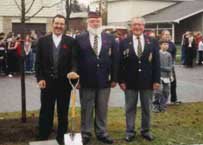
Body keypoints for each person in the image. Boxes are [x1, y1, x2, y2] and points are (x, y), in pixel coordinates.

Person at [35, 14, 79, 145]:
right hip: (47, 83)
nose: (59, 26)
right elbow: (38, 63)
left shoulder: (70, 41)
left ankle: (61, 136)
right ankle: (44, 134)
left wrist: (74, 71)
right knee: (46, 110)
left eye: (61, 24)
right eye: (56, 23)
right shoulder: (43, 41)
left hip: (64, 83)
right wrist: (40, 78)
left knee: (62, 111)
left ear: (64, 26)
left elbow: (74, 61)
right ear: (52, 24)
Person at [75, 11, 118, 145]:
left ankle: (101, 132)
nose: (95, 23)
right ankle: (86, 133)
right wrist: (76, 80)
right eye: (92, 21)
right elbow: (75, 60)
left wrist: (115, 78)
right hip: (86, 80)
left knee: (102, 107)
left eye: (97, 21)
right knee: (86, 108)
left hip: (104, 80)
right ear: (88, 22)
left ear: (101, 22)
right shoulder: (79, 38)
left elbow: (115, 59)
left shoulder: (110, 38)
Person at [119, 17, 160, 142]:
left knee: (147, 107)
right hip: (130, 81)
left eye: (140, 25)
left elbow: (156, 63)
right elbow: (120, 63)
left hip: (147, 81)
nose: (137, 27)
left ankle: (146, 130)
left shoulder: (152, 41)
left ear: (144, 27)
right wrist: (121, 81)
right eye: (135, 24)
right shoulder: (124, 42)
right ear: (131, 26)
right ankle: (130, 131)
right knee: (130, 108)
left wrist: (156, 80)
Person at [160, 30, 180, 104]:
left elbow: (174, 55)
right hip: (160, 67)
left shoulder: (172, 44)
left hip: (170, 67)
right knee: (160, 85)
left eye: (168, 34)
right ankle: (160, 101)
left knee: (173, 82)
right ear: (162, 35)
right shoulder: (157, 43)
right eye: (165, 34)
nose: (167, 35)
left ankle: (173, 99)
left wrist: (172, 64)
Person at [153, 40, 172, 112]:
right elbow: (155, 66)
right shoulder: (157, 53)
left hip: (166, 76)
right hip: (158, 76)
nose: (166, 46)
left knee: (166, 92)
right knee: (158, 91)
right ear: (160, 45)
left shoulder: (169, 55)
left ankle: (163, 106)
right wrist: (163, 68)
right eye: (164, 44)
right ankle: (156, 106)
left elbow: (170, 67)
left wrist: (170, 74)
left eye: (167, 44)